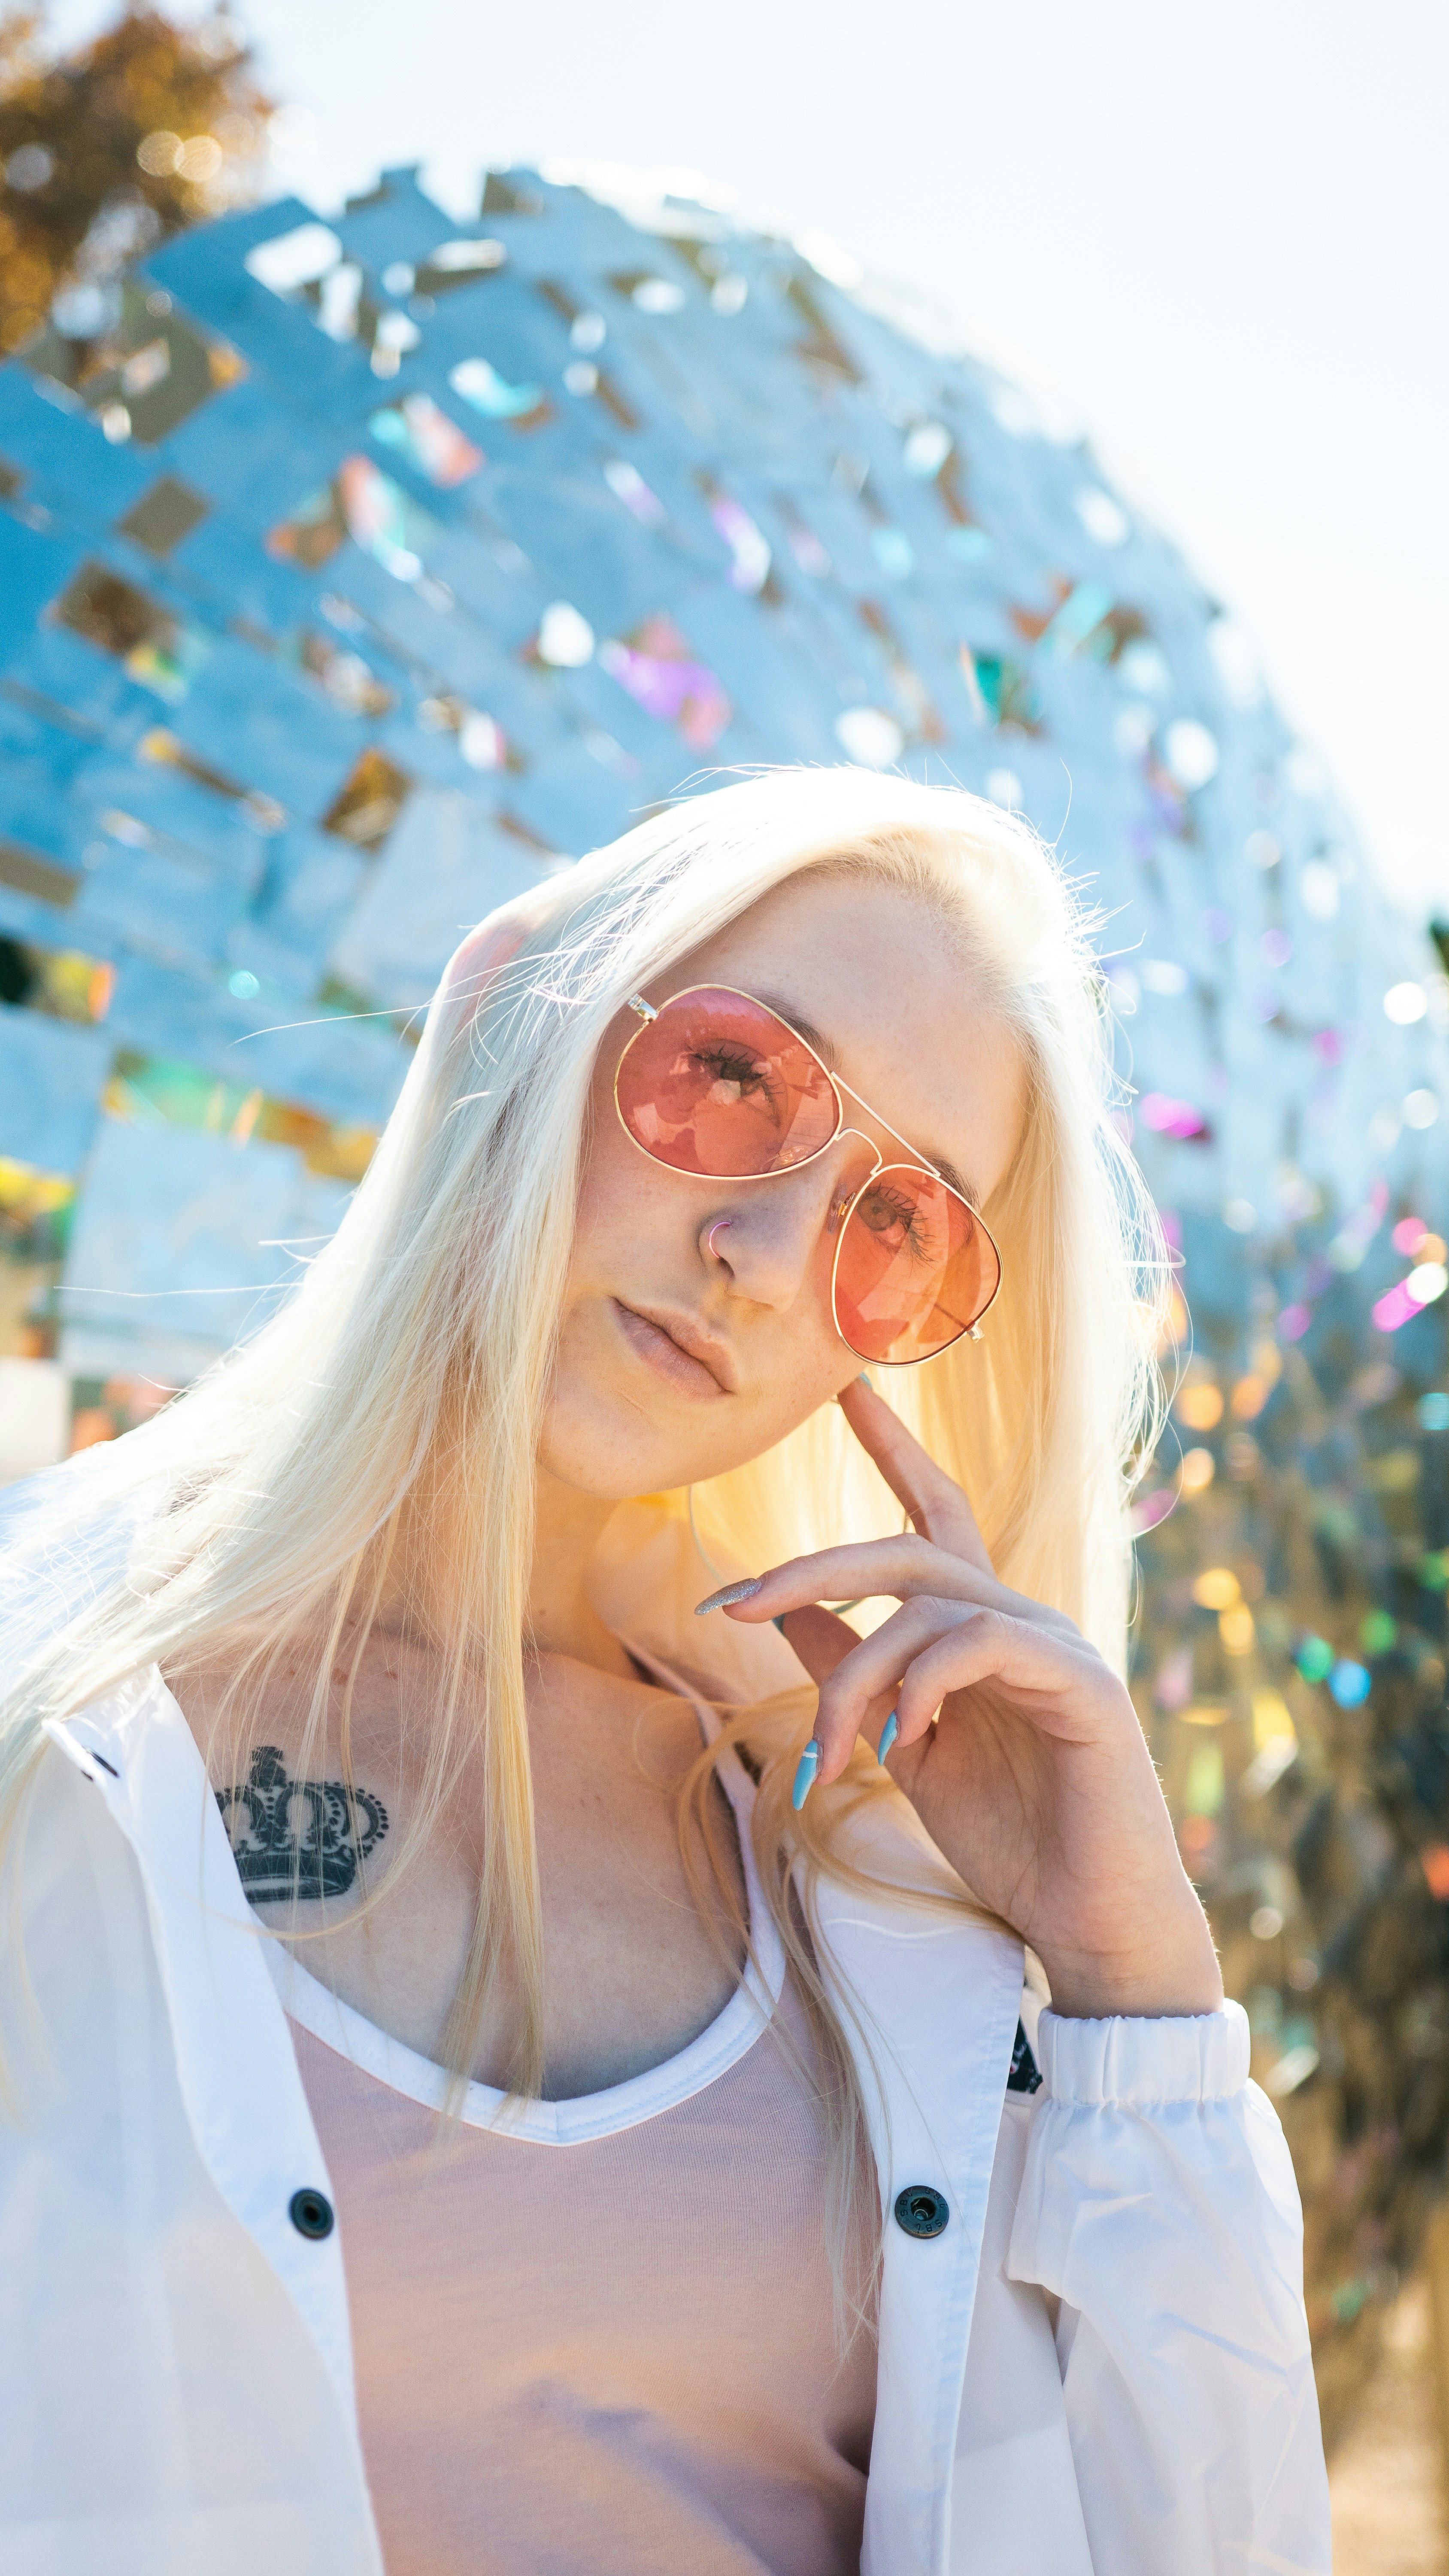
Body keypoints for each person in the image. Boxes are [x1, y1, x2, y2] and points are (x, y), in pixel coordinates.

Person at [0, 769, 1329, 2574]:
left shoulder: (879, 1881)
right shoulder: (47, 1703)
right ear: (500, 1013)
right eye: (727, 1077)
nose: (767, 1257)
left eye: (894, 1224)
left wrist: (1133, 2000)